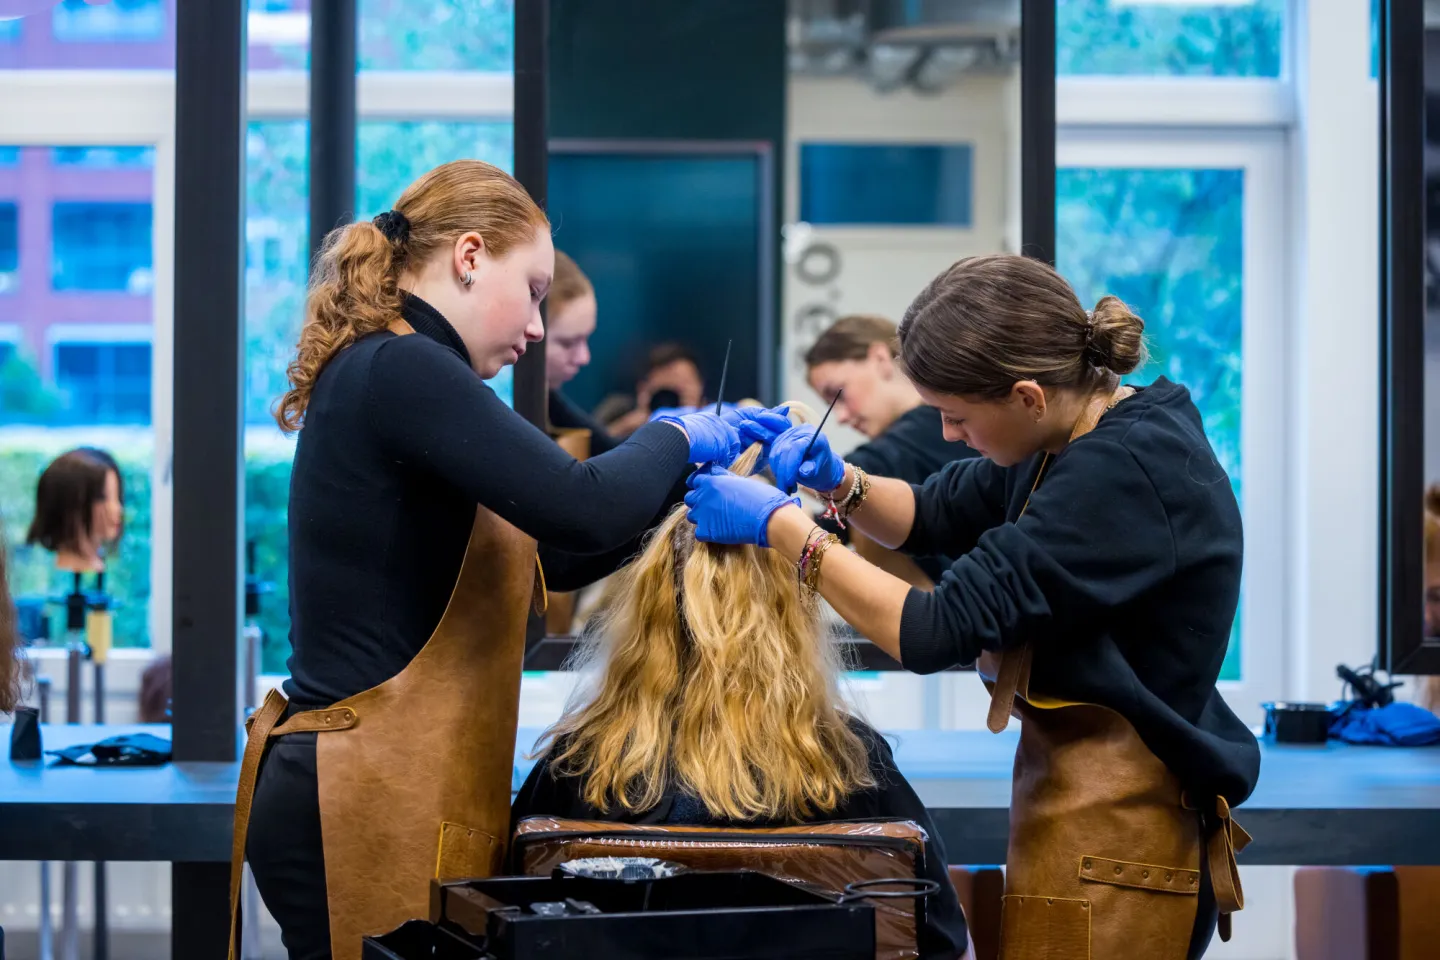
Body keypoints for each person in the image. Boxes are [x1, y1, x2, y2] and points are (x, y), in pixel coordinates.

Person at [231, 159, 788, 960]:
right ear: (467, 256)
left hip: (395, 781)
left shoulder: (402, 373)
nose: (536, 328)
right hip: (361, 792)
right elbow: (584, 503)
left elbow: (559, 554)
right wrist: (680, 433)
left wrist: (692, 494)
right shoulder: (405, 368)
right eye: (531, 291)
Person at [684, 253, 1257, 959]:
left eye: (957, 417)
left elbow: (934, 630)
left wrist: (781, 527)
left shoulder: (1124, 473)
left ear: (1026, 396)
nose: (949, 434)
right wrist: (841, 482)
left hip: (1123, 841)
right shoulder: (1066, 438)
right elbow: (932, 512)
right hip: (1083, 812)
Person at [511, 416, 970, 959]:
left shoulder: (577, 768)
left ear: (647, 608)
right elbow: (938, 943)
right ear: (792, 615)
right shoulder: (851, 766)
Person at [805, 314, 978, 585]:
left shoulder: (931, 429)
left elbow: (865, 472)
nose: (839, 416)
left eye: (837, 393)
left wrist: (767, 458)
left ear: (880, 358)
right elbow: (836, 524)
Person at [544, 249, 618, 454]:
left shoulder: (548, 399)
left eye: (586, 339)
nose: (584, 358)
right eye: (568, 343)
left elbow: (608, 449)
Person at [26, 447, 124, 574]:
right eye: (104, 497)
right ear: (70, 503)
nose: (117, 509)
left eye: (117, 497)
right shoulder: (38, 574)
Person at [595, 342, 707, 438]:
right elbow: (586, 449)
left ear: (700, 386)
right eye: (667, 389)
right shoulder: (618, 409)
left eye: (684, 384)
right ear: (644, 388)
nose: (675, 397)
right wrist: (626, 427)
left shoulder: (716, 416)